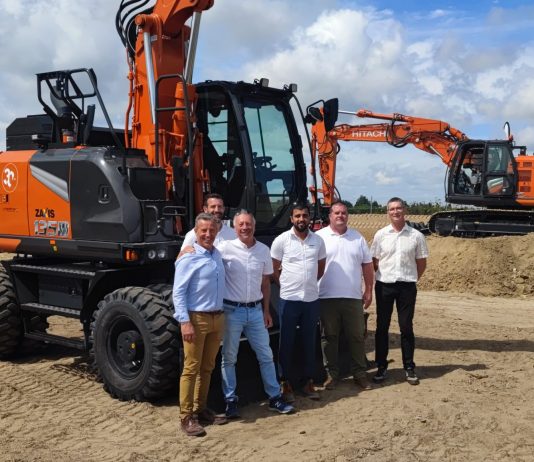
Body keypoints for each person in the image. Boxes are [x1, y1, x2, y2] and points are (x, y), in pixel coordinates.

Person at [219, 210, 294, 418]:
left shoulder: (263, 250)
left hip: (255, 312)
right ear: (235, 227)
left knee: (266, 355)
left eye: (248, 224)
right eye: (241, 224)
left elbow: (265, 283)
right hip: (231, 311)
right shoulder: (224, 249)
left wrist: (266, 310)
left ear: (254, 226)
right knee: (229, 357)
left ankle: (274, 397)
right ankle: (230, 401)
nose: (245, 228)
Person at [173, 213, 228, 437]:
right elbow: (178, 292)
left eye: (211, 230)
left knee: (207, 367)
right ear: (195, 232)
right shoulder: (189, 257)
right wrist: (184, 322)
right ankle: (186, 416)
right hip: (197, 319)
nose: (208, 234)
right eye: (203, 230)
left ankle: (200, 408)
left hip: (217, 317)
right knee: (191, 368)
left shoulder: (217, 255)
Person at [316, 201, 374, 391]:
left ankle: (360, 374)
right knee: (329, 337)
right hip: (326, 297)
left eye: (344, 213)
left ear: (347, 216)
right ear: (330, 216)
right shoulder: (319, 237)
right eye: (336, 213)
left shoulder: (357, 238)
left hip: (352, 297)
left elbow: (367, 265)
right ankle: (331, 375)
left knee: (356, 336)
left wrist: (368, 290)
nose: (340, 215)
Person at [271, 203, 326, 401]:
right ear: (291, 219)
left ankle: (307, 382)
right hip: (289, 300)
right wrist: (286, 285)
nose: (301, 219)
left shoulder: (318, 241)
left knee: (309, 341)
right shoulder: (281, 240)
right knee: (286, 342)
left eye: (304, 215)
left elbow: (320, 268)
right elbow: (274, 269)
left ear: (309, 218)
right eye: (297, 216)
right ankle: (285, 383)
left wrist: (308, 283)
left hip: (311, 300)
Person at [370, 197, 429, 385]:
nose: (395, 212)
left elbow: (421, 263)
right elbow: (374, 261)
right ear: (387, 212)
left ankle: (409, 367)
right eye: (392, 209)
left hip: (406, 287)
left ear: (405, 210)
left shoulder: (416, 236)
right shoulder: (381, 235)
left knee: (406, 327)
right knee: (382, 327)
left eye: (398, 208)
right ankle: (381, 366)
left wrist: (411, 278)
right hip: (384, 286)